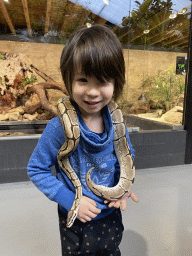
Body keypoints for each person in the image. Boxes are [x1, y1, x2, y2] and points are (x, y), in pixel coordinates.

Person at [27, 24, 138, 256]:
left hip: (110, 213)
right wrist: (70, 200)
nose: (93, 92)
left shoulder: (116, 121)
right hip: (76, 216)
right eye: (83, 80)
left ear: (116, 83)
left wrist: (124, 188)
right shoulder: (58, 128)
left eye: (103, 81)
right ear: (69, 80)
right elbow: (37, 169)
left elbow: (126, 157)